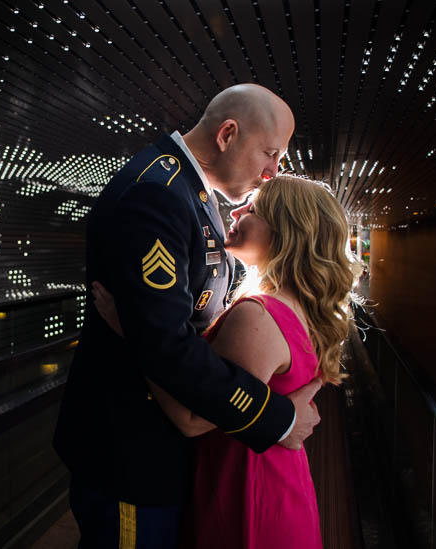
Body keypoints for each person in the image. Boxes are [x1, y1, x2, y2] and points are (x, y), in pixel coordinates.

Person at [52, 83, 321, 548]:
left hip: (163, 450)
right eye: (269, 153)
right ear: (228, 134)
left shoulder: (190, 194)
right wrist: (274, 417)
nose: (271, 173)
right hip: (132, 454)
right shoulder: (157, 193)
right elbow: (165, 343)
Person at [93, 175, 359, 548]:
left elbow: (192, 418)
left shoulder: (260, 315)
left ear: (285, 230)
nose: (236, 210)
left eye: (253, 207)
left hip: (247, 494)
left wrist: (134, 331)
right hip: (278, 485)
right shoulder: (300, 308)